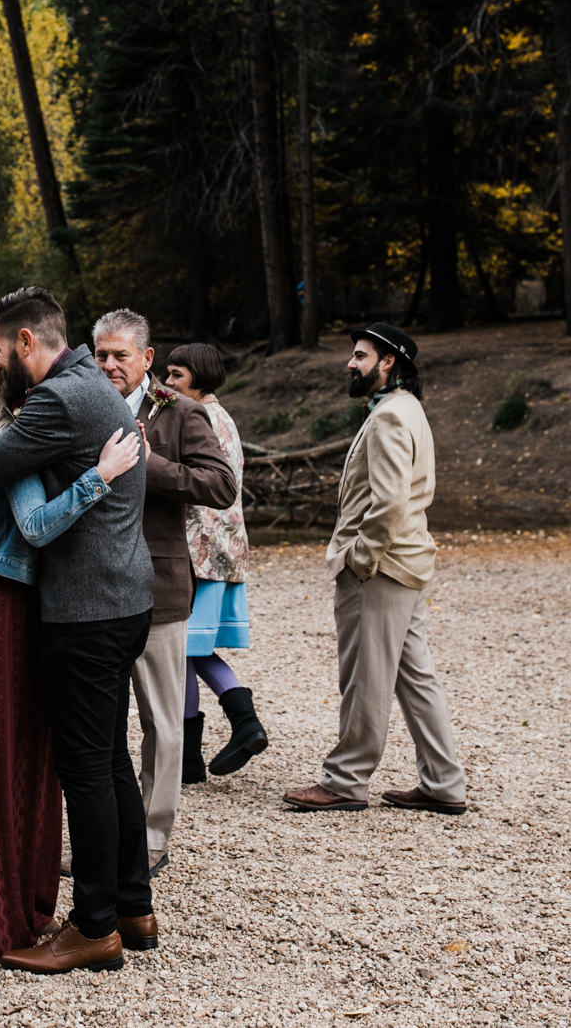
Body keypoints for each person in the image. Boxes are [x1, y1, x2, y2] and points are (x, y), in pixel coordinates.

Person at [0, 287, 157, 974]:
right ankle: (134, 904)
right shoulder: (93, 388)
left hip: (84, 612)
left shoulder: (57, 400)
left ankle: (95, 926)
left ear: (22, 343)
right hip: (125, 600)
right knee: (110, 759)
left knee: (86, 771)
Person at [283, 325, 467, 815]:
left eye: (360, 355)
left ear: (388, 363)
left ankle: (346, 780)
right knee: (414, 676)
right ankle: (444, 781)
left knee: (365, 676)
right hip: (405, 563)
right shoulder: (407, 409)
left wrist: (360, 561)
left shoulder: (389, 417)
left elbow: (387, 503)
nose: (350, 362)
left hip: (380, 570)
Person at [91, 310, 236, 873]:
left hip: (160, 587)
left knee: (161, 722)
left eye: (120, 355)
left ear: (146, 360)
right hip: (92, 589)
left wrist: (151, 466)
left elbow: (220, 485)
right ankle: (101, 837)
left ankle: (151, 840)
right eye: (101, 354)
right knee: (97, 725)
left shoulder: (182, 414)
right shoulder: (81, 406)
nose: (108, 366)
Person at [163, 343, 266, 780]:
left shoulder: (202, 417)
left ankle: (245, 722)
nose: (167, 384)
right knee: (187, 650)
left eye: (177, 376)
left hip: (201, 548)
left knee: (185, 645)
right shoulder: (220, 416)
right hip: (220, 548)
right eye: (167, 374)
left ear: (200, 378)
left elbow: (203, 485)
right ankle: (189, 761)